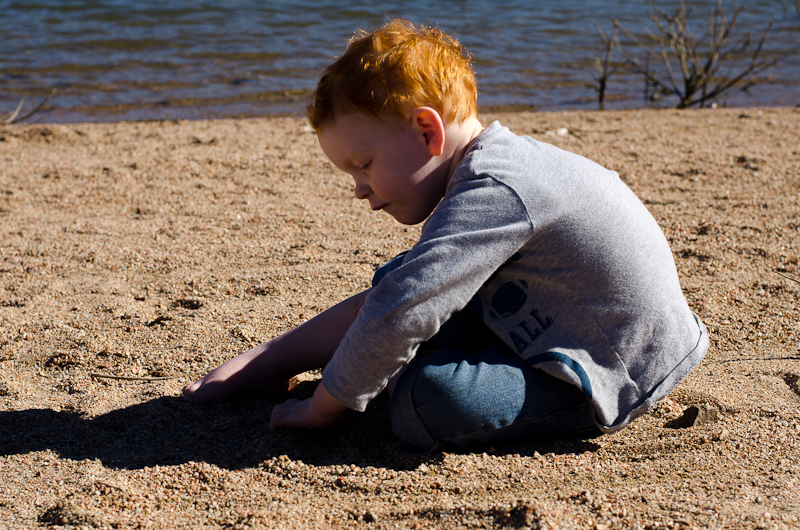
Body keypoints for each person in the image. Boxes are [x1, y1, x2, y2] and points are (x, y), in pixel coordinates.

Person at [183, 19, 708, 452]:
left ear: (428, 132)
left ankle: (375, 374)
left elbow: (403, 307)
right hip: (566, 319)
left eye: (363, 165)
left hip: (613, 366)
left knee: (425, 403)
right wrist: (270, 361)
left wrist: (323, 407)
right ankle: (352, 366)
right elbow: (398, 295)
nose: (359, 190)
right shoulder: (489, 169)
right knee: (400, 285)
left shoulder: (498, 190)